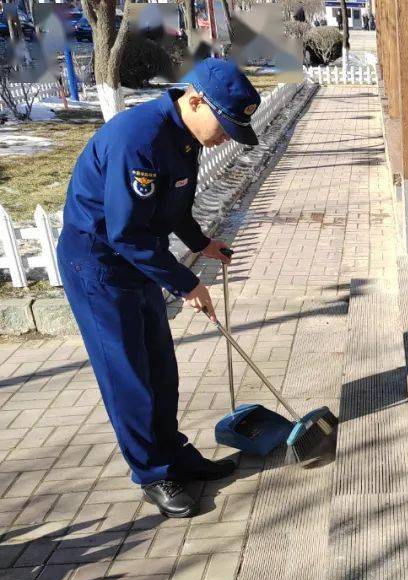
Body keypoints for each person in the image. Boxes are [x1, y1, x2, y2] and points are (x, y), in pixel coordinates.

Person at [57, 58, 261, 519]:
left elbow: (173, 207)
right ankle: (152, 471)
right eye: (225, 126)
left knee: (160, 366)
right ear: (194, 100)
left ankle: (174, 452)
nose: (227, 136)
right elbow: (124, 233)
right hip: (99, 265)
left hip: (137, 260)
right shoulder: (140, 139)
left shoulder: (184, 139)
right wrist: (187, 284)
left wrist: (201, 243)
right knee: (128, 372)